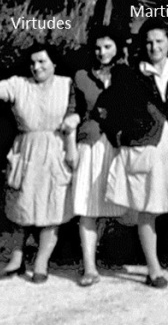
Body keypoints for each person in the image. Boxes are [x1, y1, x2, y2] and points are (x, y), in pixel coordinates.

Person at [99, 19, 168, 290]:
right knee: (148, 209)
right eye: (149, 41)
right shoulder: (130, 75)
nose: (154, 46)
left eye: (159, 41)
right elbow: (106, 108)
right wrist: (121, 137)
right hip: (147, 147)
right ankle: (154, 269)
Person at [0, 44, 79, 284]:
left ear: (54, 64)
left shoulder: (67, 84)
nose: (36, 67)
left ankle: (41, 261)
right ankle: (16, 260)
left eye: (42, 62)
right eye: (33, 63)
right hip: (26, 149)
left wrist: (71, 140)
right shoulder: (18, 84)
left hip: (55, 148)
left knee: (53, 207)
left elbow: (77, 112)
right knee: (21, 206)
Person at [70, 27, 127, 287]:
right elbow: (73, 110)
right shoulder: (81, 76)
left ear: (117, 48)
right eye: (98, 47)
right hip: (91, 143)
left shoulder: (127, 74)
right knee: (87, 204)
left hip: (117, 144)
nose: (102, 52)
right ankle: (89, 266)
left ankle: (104, 252)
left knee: (109, 203)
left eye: (107, 47)